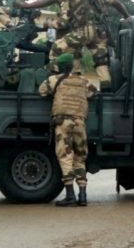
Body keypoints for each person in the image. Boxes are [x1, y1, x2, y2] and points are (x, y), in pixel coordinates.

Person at [17, 0, 132, 89]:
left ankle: (55, 80)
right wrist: (127, 16)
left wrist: (27, 5)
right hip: (100, 33)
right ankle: (105, 85)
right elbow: (117, 3)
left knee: (57, 48)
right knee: (100, 61)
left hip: (83, 31)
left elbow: (51, 1)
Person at [39, 53, 99, 207]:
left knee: (65, 157)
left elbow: (42, 91)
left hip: (63, 123)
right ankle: (83, 196)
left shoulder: (54, 80)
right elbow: (94, 92)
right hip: (80, 123)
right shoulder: (83, 81)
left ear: (59, 66)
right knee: (80, 158)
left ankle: (70, 196)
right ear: (72, 66)